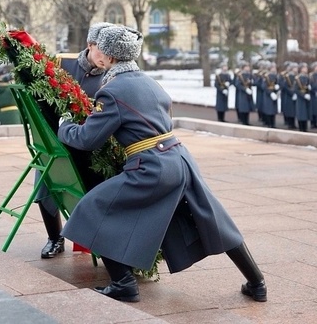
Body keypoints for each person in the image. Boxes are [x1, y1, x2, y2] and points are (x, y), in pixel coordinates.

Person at [57, 25, 267, 303]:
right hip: (180, 158)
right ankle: (257, 283)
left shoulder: (112, 90)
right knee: (215, 220)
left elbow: (87, 139)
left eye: (98, 48)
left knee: (93, 209)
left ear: (108, 55)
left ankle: (123, 284)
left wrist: (64, 126)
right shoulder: (149, 80)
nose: (94, 51)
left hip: (151, 166)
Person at [37, 22, 111, 259]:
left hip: (90, 145)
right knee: (45, 185)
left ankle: (99, 240)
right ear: (90, 45)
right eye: (102, 50)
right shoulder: (61, 64)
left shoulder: (111, 75)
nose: (107, 57)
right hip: (58, 139)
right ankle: (54, 238)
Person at [260, 62, 280, 128]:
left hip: (274, 94)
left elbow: (277, 84)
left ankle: (273, 124)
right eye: (273, 68)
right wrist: (270, 93)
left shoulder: (276, 76)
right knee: (269, 110)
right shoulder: (266, 76)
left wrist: (277, 88)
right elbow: (264, 86)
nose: (274, 69)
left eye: (275, 67)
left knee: (273, 111)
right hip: (268, 95)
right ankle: (269, 124)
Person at [294, 63, 311, 132]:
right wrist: (304, 95)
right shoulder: (298, 78)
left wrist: (309, 90)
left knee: (306, 114)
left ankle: (305, 127)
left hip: (307, 98)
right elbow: (296, 89)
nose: (306, 69)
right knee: (301, 113)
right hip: (301, 98)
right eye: (304, 68)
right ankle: (301, 128)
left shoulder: (307, 77)